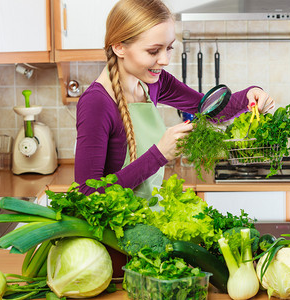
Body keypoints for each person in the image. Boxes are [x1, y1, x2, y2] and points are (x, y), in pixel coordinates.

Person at [74, 0, 275, 197]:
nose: (165, 60)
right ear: (119, 47)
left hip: (144, 215)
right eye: (153, 51)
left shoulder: (154, 82)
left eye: (169, 48)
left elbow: (210, 110)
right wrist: (159, 154)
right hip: (114, 225)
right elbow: (88, 194)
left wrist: (251, 94)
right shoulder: (97, 103)